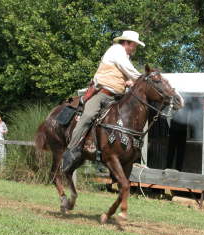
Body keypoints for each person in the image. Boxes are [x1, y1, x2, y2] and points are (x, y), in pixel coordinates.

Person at [62, 30, 145, 172]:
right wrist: (144, 79)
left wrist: (128, 82)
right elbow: (130, 71)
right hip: (101, 94)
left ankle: (103, 154)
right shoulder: (116, 50)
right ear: (127, 43)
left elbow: (124, 75)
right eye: (134, 45)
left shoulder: (123, 56)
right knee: (88, 116)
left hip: (116, 97)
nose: (135, 48)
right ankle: (71, 149)